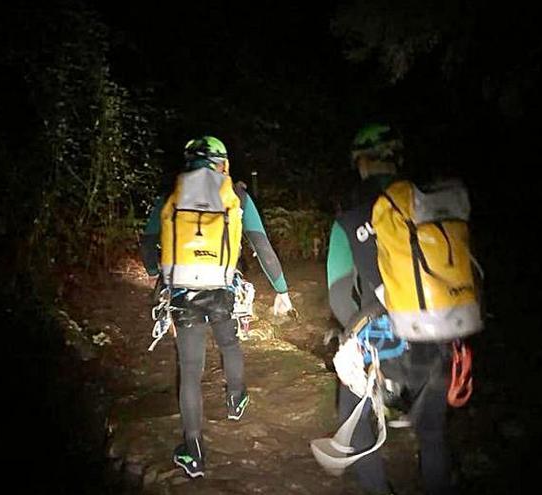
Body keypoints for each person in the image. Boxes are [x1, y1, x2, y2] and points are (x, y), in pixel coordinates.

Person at [140, 135, 294, 478]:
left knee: (190, 370)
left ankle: (193, 452)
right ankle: (236, 400)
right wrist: (282, 289)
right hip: (222, 287)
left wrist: (158, 274)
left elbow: (149, 244)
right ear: (222, 163)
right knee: (229, 343)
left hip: (182, 291)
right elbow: (261, 246)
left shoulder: (171, 194)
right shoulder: (237, 195)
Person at [325, 124, 457, 494]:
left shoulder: (349, 219)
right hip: (440, 333)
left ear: (360, 164)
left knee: (353, 413)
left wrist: (352, 336)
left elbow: (338, 296)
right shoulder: (432, 208)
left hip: (383, 345)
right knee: (432, 434)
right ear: (397, 159)